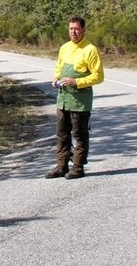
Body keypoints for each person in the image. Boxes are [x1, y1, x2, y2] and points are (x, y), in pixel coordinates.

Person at [45, 17, 104, 180]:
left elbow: (98, 76)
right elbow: (58, 67)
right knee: (62, 134)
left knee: (79, 135)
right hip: (63, 99)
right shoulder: (64, 48)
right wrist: (55, 79)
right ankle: (61, 165)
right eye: (71, 29)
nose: (74, 32)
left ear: (83, 30)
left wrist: (77, 82)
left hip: (80, 102)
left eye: (77, 29)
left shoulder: (90, 50)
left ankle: (78, 167)